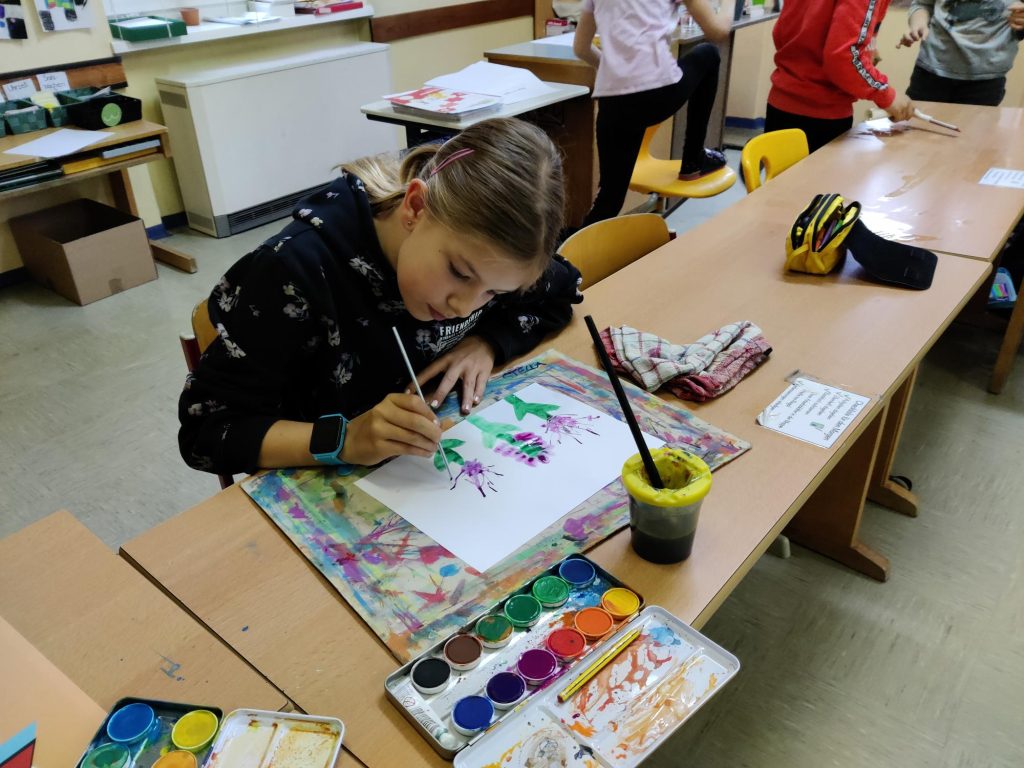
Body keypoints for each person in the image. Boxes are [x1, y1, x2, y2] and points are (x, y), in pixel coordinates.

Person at [179, 118, 583, 477]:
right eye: (460, 273)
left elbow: (562, 291)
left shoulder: (489, 258)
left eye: (494, 292)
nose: (464, 306)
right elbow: (207, 432)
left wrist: (487, 344)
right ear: (416, 207)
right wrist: (345, 440)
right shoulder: (293, 271)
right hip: (324, 486)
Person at [573, 0, 734, 227]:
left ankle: (567, 250)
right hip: (657, 95)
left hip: (612, 101)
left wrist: (617, 72)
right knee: (708, 54)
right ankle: (693, 160)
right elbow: (717, 32)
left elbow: (580, 48)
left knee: (609, 200)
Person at [765, 0, 916, 152]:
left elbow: (788, 29)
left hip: (781, 105)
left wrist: (865, 49)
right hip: (820, 115)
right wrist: (884, 93)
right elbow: (844, 57)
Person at [899, 0, 1024, 106]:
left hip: (986, 79)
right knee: (914, 124)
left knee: (972, 128)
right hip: (930, 70)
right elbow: (922, 4)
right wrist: (918, 25)